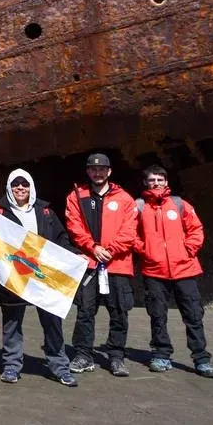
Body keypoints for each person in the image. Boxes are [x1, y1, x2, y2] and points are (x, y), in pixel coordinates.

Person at [0, 168, 78, 387]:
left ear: (31, 186)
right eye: (15, 184)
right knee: (12, 322)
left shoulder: (45, 211)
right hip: (15, 273)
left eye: (24, 183)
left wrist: (74, 258)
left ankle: (59, 365)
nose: (20, 187)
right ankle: (12, 365)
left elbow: (60, 239)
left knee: (52, 322)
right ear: (9, 187)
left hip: (43, 274)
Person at [135, 165, 213, 378]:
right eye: (152, 180)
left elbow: (196, 229)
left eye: (160, 180)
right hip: (154, 270)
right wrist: (145, 250)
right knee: (157, 315)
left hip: (184, 269)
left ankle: (201, 359)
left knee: (193, 315)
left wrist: (187, 249)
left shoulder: (180, 204)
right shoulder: (140, 207)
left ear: (166, 181)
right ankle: (161, 354)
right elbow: (130, 233)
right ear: (146, 182)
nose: (156, 183)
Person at [65, 152, 139, 377]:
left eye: (102, 169)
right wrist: (93, 247)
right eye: (93, 169)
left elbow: (130, 230)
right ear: (88, 171)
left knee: (119, 312)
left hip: (117, 265)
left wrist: (110, 250)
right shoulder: (76, 196)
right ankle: (83, 354)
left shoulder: (125, 199)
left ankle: (116, 356)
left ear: (109, 171)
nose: (98, 172)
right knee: (85, 311)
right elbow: (74, 226)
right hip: (89, 263)